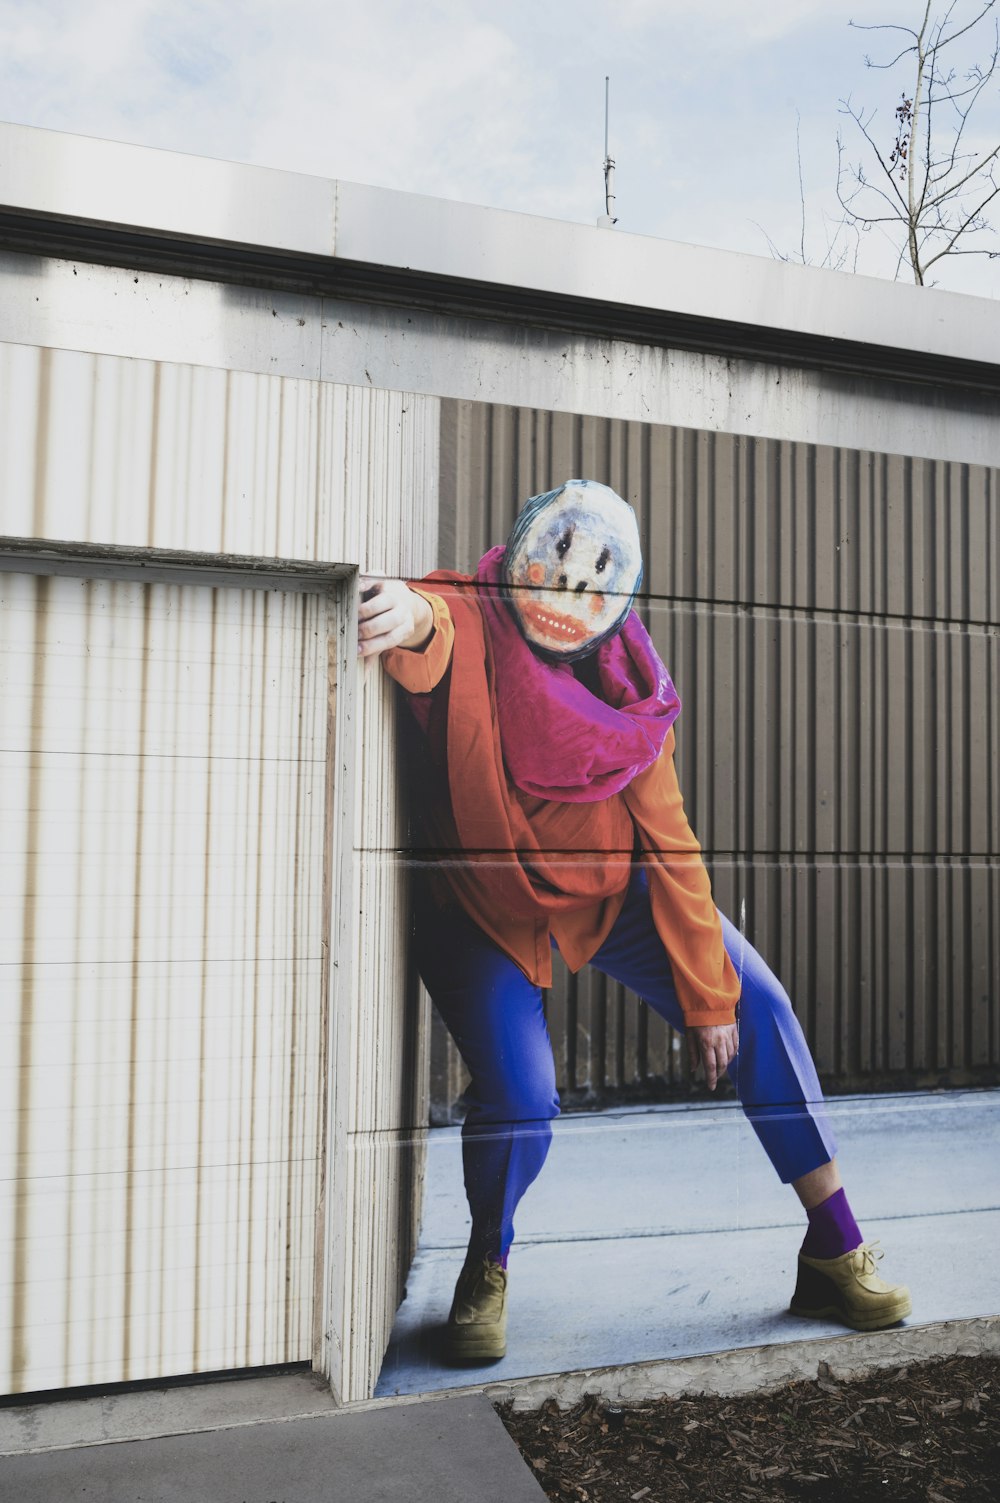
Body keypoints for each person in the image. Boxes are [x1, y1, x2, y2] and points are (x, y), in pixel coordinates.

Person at [359, 479, 911, 1363]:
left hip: (610, 895)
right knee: (521, 1097)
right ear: (525, 550)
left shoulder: (633, 695)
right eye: (556, 559)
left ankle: (833, 1244)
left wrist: (708, 994)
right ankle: (486, 1262)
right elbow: (437, 629)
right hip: (483, 908)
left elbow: (672, 842)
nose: (570, 587)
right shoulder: (474, 615)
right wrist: (408, 612)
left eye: (594, 577)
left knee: (755, 1002)